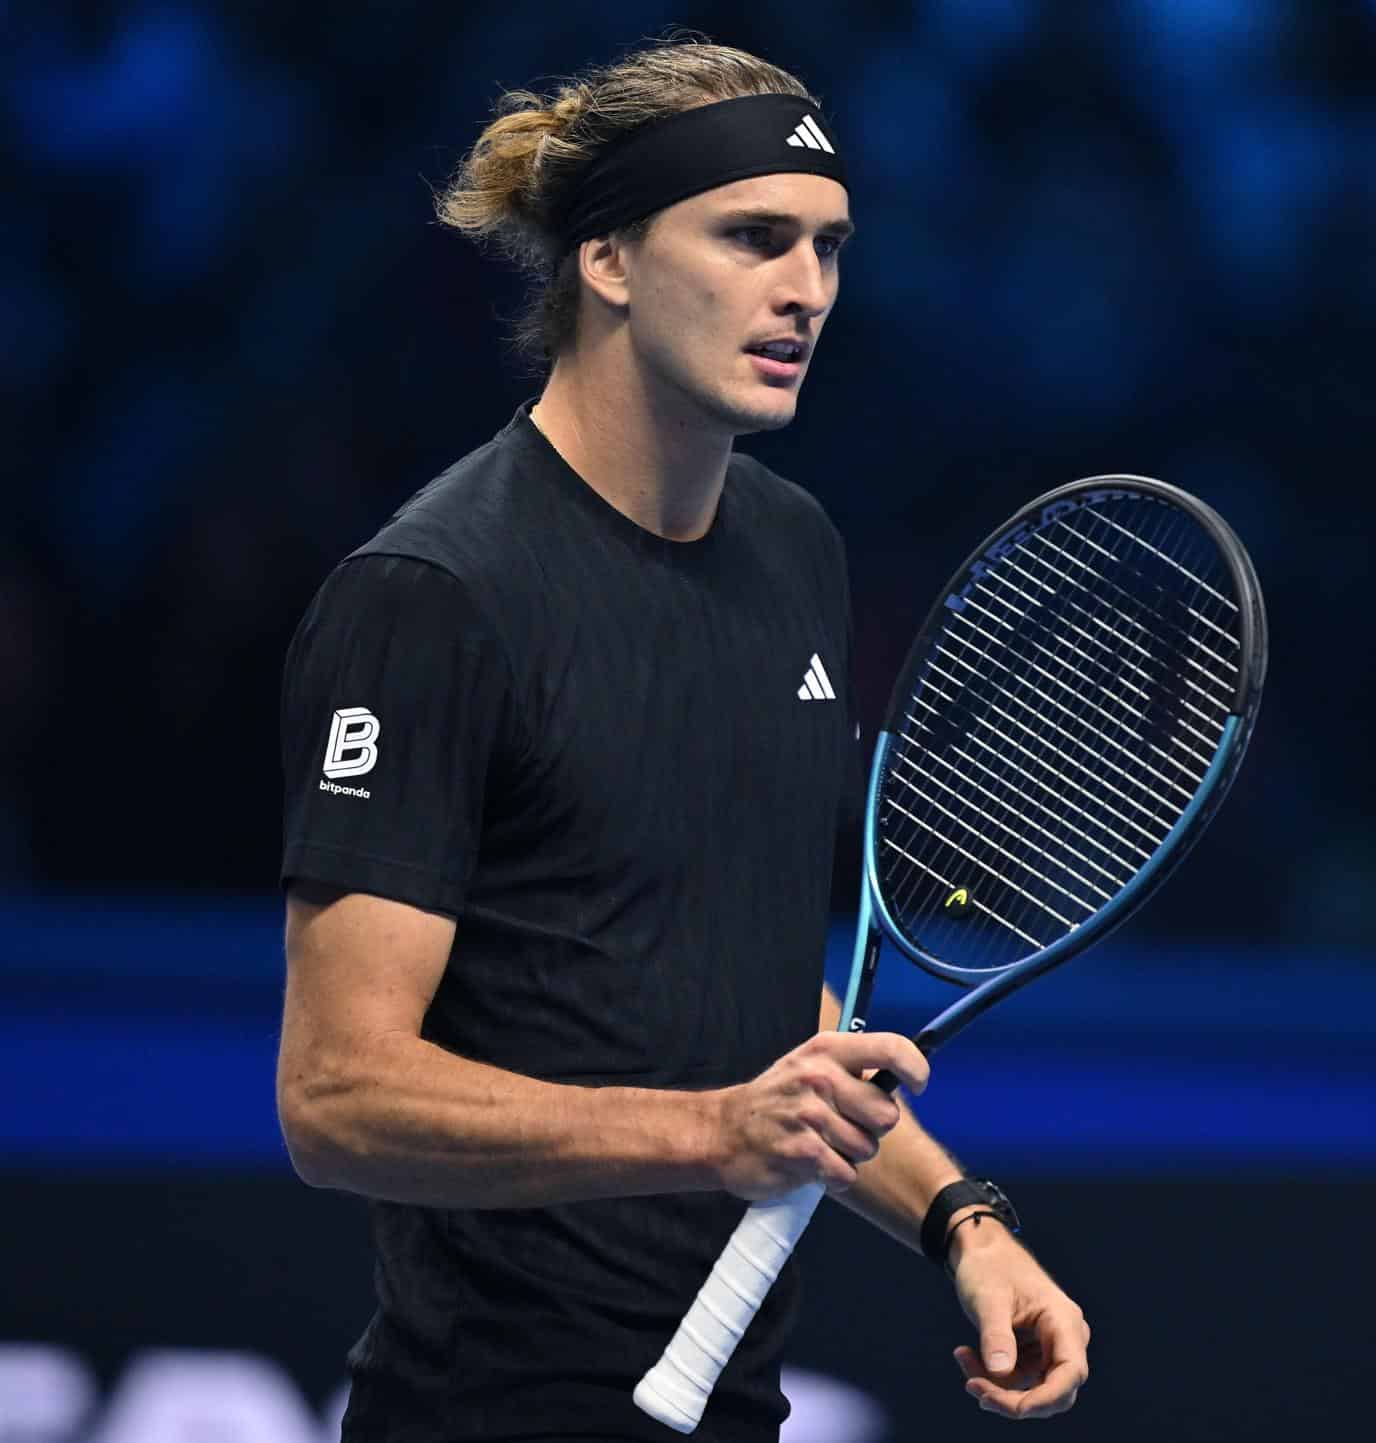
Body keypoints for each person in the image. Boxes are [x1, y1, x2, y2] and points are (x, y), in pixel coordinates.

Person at [274, 35, 1089, 1443]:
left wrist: (962, 1222)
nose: (807, 292)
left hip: (731, 1414)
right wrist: (714, 1134)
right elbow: (336, 1094)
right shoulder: (431, 599)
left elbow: (765, 1020)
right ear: (608, 259)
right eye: (755, 239)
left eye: (829, 250)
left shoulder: (794, 552)